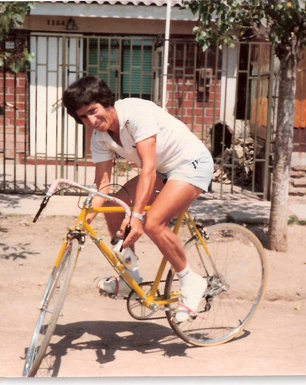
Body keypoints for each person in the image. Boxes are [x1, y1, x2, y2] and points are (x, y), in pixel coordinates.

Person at [62, 75, 213, 322]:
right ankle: (130, 277)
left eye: (93, 111)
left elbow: (148, 168)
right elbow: (103, 185)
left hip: (191, 163)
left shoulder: (135, 113)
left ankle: (190, 279)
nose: (91, 121)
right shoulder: (99, 138)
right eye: (83, 117)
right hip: (164, 172)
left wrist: (136, 215)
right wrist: (82, 222)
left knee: (152, 222)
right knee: (112, 206)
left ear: (106, 102)